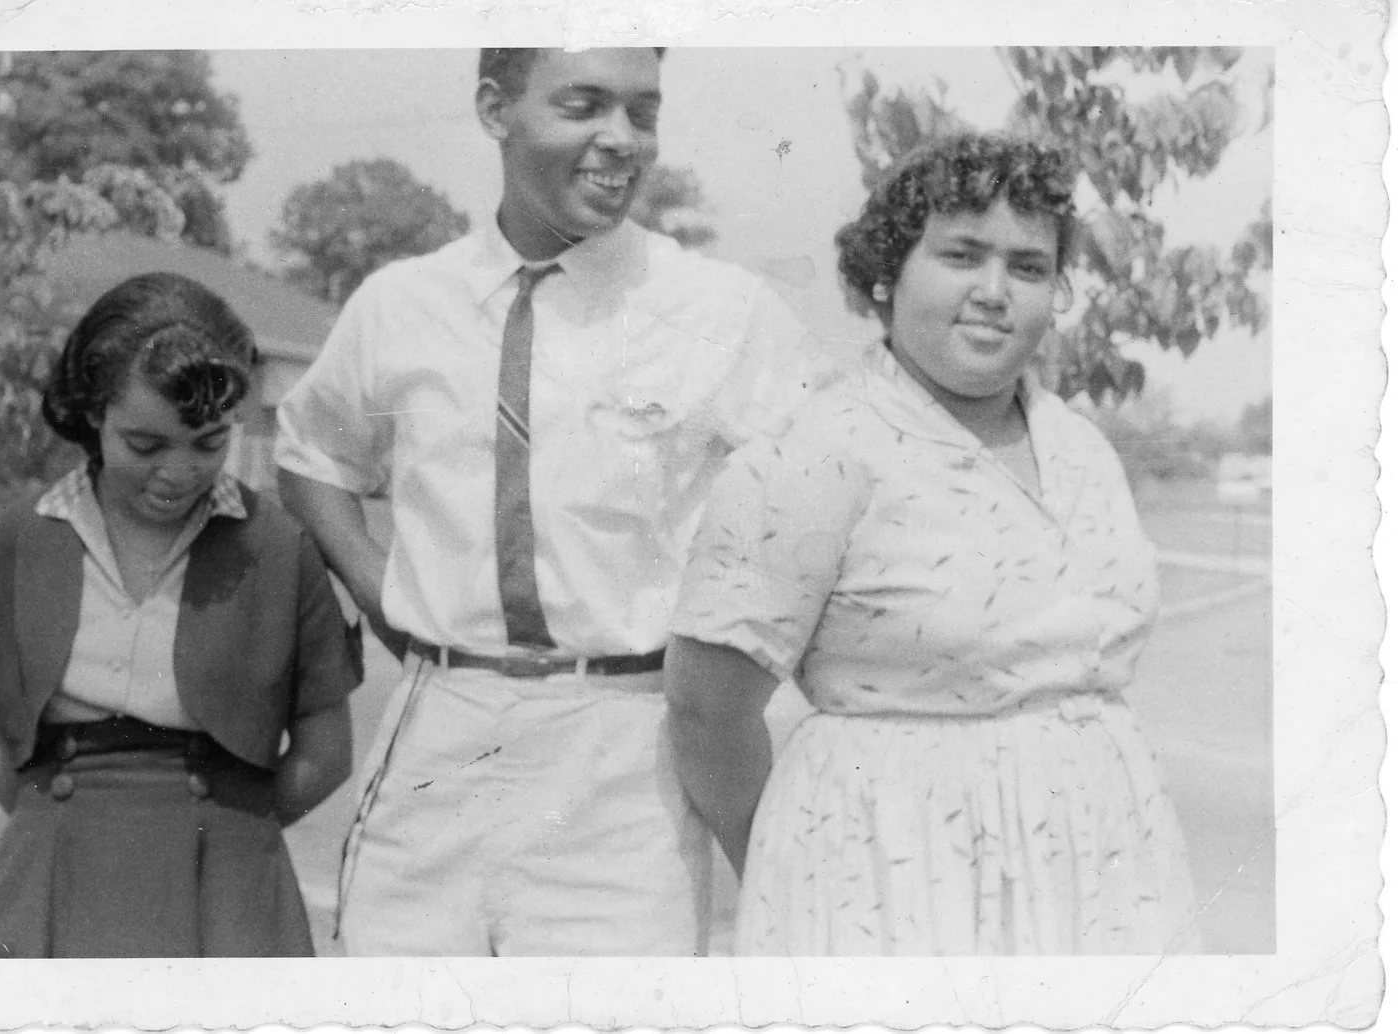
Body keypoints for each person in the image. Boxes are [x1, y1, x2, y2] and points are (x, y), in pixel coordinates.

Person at [274, 47, 824, 956]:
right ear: (496, 109)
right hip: (438, 737)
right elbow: (310, 455)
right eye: (584, 106)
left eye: (642, 112)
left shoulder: (721, 311)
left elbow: (829, 493)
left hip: (622, 757)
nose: (621, 139)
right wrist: (382, 594)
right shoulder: (402, 305)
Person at [666, 133, 1200, 955]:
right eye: (961, 255)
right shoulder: (816, 452)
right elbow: (707, 711)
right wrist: (795, 871)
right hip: (889, 875)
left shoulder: (1082, 449)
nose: (995, 291)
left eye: (1028, 267)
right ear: (887, 273)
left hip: (1102, 865)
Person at [0, 273, 359, 957]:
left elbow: (327, 750)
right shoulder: (13, 542)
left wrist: (237, 833)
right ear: (93, 413)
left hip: (225, 878)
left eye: (209, 443)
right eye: (145, 444)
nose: (179, 472)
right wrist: (41, 817)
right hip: (51, 864)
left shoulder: (279, 550)